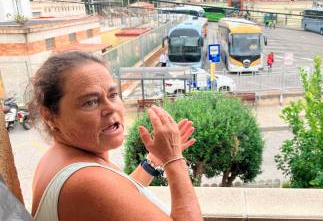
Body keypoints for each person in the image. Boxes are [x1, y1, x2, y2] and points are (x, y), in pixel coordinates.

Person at [29, 51, 202, 221]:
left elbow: (120, 197)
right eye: (90, 102)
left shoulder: (62, 158)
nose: (110, 107)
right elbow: (103, 192)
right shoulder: (87, 181)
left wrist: (154, 160)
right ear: (49, 116)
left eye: (113, 94)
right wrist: (174, 160)